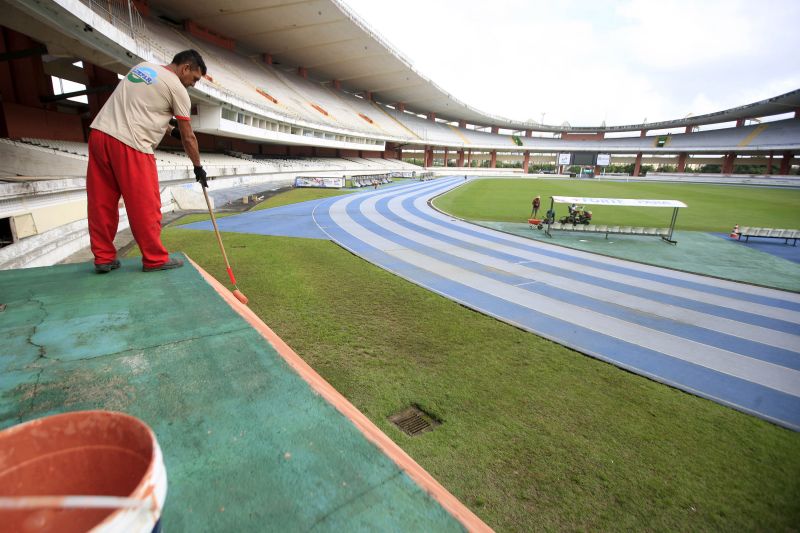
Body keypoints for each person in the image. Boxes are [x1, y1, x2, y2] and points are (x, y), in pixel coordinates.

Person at [87, 50, 208, 273]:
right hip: (131, 144)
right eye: (194, 79)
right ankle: (155, 259)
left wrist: (171, 133)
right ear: (185, 68)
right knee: (145, 204)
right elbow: (189, 136)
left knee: (101, 201)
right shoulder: (177, 88)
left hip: (99, 134)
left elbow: (144, 111)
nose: (193, 84)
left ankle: (103, 257)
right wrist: (198, 166)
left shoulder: (142, 68)